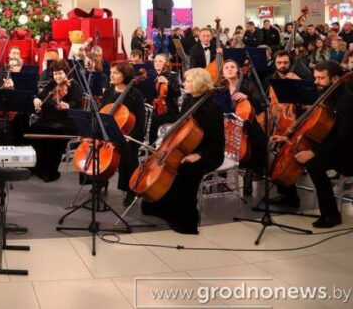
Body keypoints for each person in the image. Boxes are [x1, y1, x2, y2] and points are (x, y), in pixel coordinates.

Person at [140, 68, 225, 234]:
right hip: (187, 147)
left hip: (209, 153)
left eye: (188, 81)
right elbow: (184, 128)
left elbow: (217, 141)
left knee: (186, 170)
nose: (183, 84)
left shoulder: (212, 107)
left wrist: (199, 155)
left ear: (199, 83)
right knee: (172, 165)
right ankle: (160, 208)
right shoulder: (188, 100)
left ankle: (186, 221)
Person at [269, 60, 353, 227]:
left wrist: (314, 152)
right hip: (330, 145)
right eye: (315, 77)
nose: (316, 82)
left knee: (314, 164)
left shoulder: (347, 101)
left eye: (321, 78)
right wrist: (289, 137)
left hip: (347, 151)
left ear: (335, 79)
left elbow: (343, 137)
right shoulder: (326, 95)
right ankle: (289, 195)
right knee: (289, 153)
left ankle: (331, 215)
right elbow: (317, 128)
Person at [29, 59, 83, 182]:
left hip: (66, 122)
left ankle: (50, 172)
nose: (57, 76)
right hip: (48, 120)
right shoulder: (52, 84)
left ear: (66, 73)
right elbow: (40, 96)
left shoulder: (74, 85)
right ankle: (38, 168)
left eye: (60, 73)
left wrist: (68, 105)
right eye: (55, 74)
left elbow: (77, 103)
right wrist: (36, 100)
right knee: (33, 132)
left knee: (53, 139)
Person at [101, 61, 147, 206]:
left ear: (125, 75)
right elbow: (103, 112)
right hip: (109, 133)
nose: (111, 75)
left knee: (128, 155)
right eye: (111, 72)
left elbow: (140, 121)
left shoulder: (135, 94)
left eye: (116, 72)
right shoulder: (109, 91)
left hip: (128, 135)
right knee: (96, 151)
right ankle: (100, 181)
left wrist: (132, 138)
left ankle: (130, 190)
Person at [220, 60, 267, 196]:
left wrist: (248, 97)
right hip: (226, 125)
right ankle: (221, 176)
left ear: (238, 70)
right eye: (226, 67)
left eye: (232, 67)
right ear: (222, 72)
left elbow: (260, 103)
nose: (229, 69)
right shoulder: (220, 87)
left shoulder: (247, 83)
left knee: (259, 140)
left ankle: (249, 174)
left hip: (246, 125)